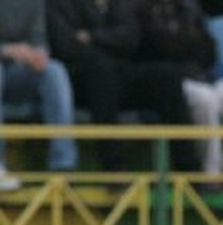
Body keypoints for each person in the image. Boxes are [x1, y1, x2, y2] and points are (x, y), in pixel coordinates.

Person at [48, 0, 199, 172]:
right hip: (77, 81)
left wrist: (91, 36)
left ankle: (189, 170)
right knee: (101, 73)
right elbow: (66, 45)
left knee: (166, 76)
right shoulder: (59, 4)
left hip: (118, 72)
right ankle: (115, 170)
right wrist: (110, 42)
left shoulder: (121, 3)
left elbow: (130, 39)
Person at [137, 0, 223, 180]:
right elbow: (154, 50)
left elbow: (209, 52)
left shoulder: (190, 9)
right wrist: (184, 45)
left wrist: (188, 47)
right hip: (168, 85)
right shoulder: (141, 8)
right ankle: (209, 173)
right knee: (206, 98)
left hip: (202, 78)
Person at [0, 0, 78, 191]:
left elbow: (39, 40)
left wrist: (38, 55)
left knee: (55, 71)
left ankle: (62, 165)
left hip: (18, 71)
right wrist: (8, 50)